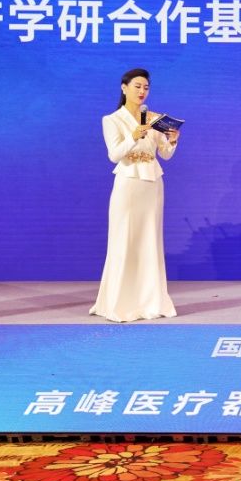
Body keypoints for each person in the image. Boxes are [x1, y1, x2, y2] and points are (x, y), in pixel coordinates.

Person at [92, 68, 180, 322]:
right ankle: (118, 303)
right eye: (137, 86)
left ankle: (150, 301)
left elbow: (165, 154)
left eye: (146, 88)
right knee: (124, 239)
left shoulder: (154, 118)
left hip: (152, 182)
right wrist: (133, 136)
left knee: (150, 239)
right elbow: (114, 154)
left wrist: (173, 140)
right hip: (128, 182)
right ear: (124, 88)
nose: (142, 92)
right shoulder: (112, 119)